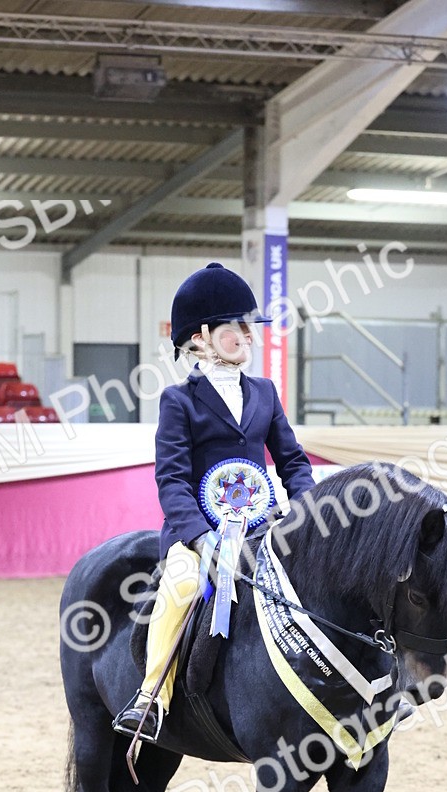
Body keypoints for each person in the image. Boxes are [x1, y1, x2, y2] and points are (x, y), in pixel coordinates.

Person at [113, 261, 315, 743]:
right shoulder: (177, 402)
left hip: (262, 527)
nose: (249, 335)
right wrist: (201, 539)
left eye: (250, 326)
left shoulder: (265, 393)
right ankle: (150, 698)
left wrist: (309, 511)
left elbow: (292, 462)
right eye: (236, 326)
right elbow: (172, 480)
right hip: (200, 535)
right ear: (201, 337)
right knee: (180, 586)